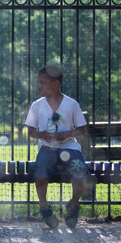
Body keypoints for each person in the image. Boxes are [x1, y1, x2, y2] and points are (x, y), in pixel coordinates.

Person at [24, 65, 88, 229]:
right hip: (47, 147)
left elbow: (81, 129)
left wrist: (67, 134)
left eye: (43, 83)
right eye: (39, 82)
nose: (39, 86)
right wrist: (41, 135)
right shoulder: (37, 105)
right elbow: (30, 130)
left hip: (69, 147)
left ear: (56, 83)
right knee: (40, 174)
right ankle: (44, 206)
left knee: (79, 171)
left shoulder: (71, 104)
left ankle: (73, 204)